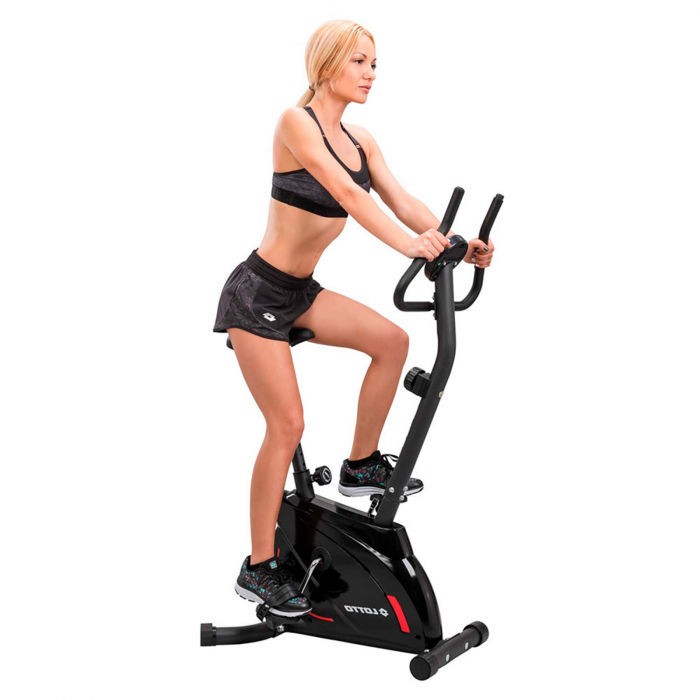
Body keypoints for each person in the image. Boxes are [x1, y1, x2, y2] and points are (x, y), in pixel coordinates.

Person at [213, 19, 495, 618]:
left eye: (374, 64)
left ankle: (361, 465)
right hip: (256, 296)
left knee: (391, 341)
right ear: (327, 64)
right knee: (287, 425)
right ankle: (258, 566)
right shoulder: (296, 123)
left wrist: (456, 242)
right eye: (360, 62)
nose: (371, 74)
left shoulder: (362, 140)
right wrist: (407, 246)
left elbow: (402, 200)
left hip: (300, 291)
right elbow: (349, 196)